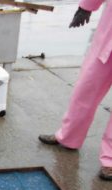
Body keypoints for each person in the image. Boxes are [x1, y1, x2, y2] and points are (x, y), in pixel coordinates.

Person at [38, 0, 112, 180]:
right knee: (85, 88)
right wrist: (86, 7)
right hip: (108, 38)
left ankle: (110, 160)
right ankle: (68, 136)